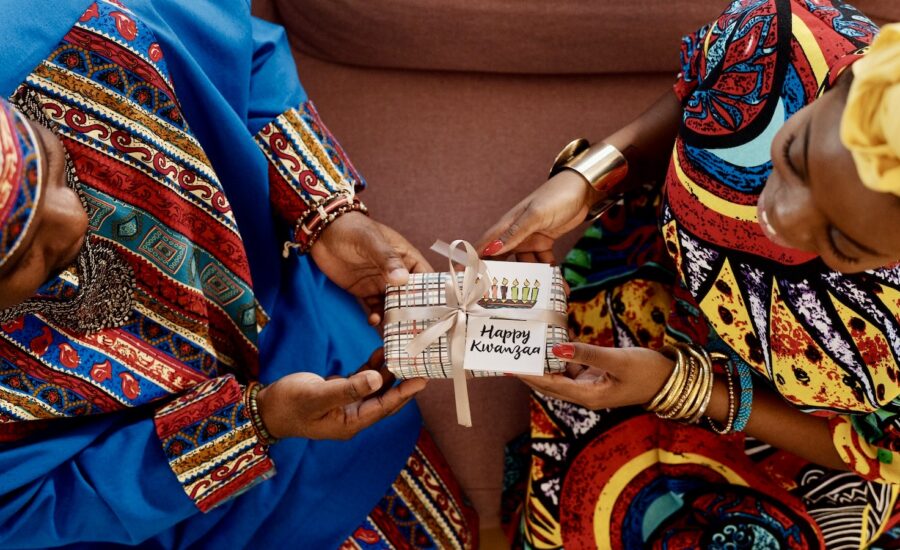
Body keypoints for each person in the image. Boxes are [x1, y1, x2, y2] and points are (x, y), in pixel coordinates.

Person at [0, 1, 477, 548]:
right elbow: (32, 510)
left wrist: (325, 211)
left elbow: (245, 52)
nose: (74, 217)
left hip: (333, 374)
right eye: (29, 255)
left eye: (54, 164)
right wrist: (255, 423)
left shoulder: (79, 14)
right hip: (176, 526)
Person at [478, 0, 900, 547]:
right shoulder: (776, 43)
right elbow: (693, 101)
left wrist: (682, 387)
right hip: (644, 292)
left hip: (785, 442)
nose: (778, 221)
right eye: (795, 156)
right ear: (843, 74)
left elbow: (875, 451)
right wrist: (589, 180)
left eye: (842, 243)